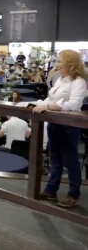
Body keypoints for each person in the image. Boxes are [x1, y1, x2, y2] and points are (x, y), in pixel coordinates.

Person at [33, 49, 86, 208]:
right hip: (54, 123)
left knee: (70, 161)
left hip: (68, 125)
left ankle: (74, 194)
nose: (57, 65)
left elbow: (75, 104)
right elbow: (51, 98)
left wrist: (49, 106)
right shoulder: (60, 80)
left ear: (70, 63)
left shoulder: (79, 82)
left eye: (60, 61)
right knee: (55, 159)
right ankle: (51, 189)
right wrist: (40, 103)